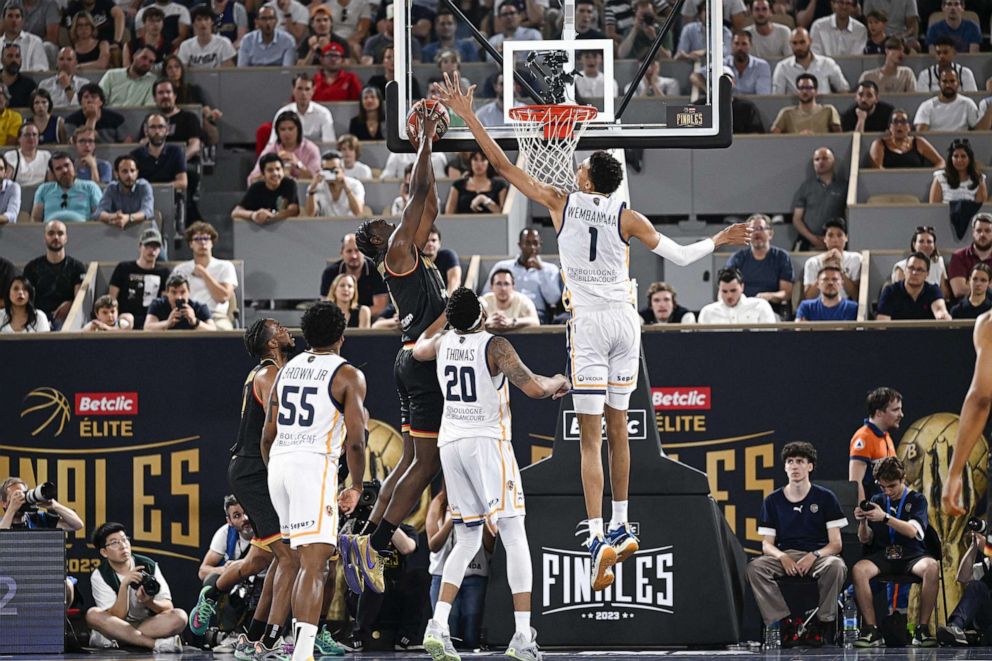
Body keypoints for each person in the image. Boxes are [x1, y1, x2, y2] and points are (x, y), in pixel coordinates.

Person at [438, 72, 749, 590]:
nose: (575, 165)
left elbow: (503, 166)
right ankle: (625, 523)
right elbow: (678, 254)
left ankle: (596, 535)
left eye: (580, 165)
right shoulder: (627, 216)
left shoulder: (561, 201)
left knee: (589, 440)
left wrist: (469, 116)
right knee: (621, 428)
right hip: (628, 322)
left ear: (585, 182)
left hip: (588, 324)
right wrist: (719, 237)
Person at [412, 287, 568, 661]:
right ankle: (521, 635)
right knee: (514, 533)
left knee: (466, 539)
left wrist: (443, 319)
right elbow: (533, 386)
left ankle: (437, 624)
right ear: (481, 314)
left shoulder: (443, 342)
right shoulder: (495, 346)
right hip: (487, 443)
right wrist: (557, 381)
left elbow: (416, 347)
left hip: (451, 444)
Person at [347, 106, 450, 594]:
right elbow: (419, 193)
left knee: (412, 460)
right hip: (422, 360)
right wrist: (425, 139)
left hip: (410, 358)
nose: (388, 221)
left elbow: (429, 202)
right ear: (375, 241)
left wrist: (436, 145)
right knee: (426, 466)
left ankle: (365, 536)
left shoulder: (407, 250)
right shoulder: (394, 252)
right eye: (380, 223)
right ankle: (378, 541)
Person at [188, 319, 327, 659]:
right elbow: (277, 428)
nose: (286, 330)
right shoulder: (268, 375)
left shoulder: (274, 372)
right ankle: (271, 639)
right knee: (291, 557)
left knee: (265, 556)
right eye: (278, 328)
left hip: (257, 469)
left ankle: (238, 620)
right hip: (255, 469)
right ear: (270, 344)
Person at [259, 301, 367, 661]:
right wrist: (356, 484)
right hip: (312, 466)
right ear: (342, 335)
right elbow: (356, 440)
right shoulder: (347, 374)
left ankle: (290, 644)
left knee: (298, 560)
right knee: (314, 565)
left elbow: (267, 435)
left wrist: (277, 468)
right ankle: (302, 653)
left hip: (279, 465)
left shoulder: (285, 371)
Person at [746, 442, 847, 647]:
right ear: (784, 467)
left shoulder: (826, 497)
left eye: (800, 461)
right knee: (755, 568)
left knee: (836, 566)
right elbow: (767, 545)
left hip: (819, 554)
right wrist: (782, 557)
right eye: (790, 462)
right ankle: (785, 623)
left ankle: (822, 623)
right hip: (786, 555)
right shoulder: (772, 500)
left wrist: (814, 555)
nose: (794, 466)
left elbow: (836, 544)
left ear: (810, 466)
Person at [852, 457, 939, 647]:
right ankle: (872, 630)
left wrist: (885, 517)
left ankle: (922, 630)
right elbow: (865, 539)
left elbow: (912, 531)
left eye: (892, 486)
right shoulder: (877, 500)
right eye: (883, 487)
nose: (888, 491)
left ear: (903, 479)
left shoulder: (917, 500)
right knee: (859, 570)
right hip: (884, 554)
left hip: (911, 555)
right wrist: (863, 521)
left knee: (931, 567)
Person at [85, 522, 187, 652]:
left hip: (147, 624)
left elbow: (168, 607)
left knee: (180, 616)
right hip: (117, 624)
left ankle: (117, 640)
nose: (123, 546)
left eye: (124, 540)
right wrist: (124, 586)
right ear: (104, 552)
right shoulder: (100, 574)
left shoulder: (147, 565)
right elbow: (117, 617)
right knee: (92, 615)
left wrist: (149, 602)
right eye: (115, 542)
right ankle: (154, 644)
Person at [484, 228, 562, 324]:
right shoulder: (502, 267)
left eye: (535, 243)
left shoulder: (550, 269)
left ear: (540, 245)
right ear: (520, 245)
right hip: (505, 311)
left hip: (536, 314)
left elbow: (553, 299)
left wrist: (541, 271)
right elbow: (486, 293)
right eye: (528, 243)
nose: (532, 247)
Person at [170, 221, 238, 330]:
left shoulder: (225, 266)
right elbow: (171, 296)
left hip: (215, 315)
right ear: (190, 244)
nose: (202, 242)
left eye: (206, 238)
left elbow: (223, 297)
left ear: (212, 242)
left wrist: (203, 273)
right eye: (197, 239)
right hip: (187, 314)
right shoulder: (180, 270)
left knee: (223, 331)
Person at [725, 213, 794, 315]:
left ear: (770, 233)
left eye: (760, 229)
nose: (756, 233)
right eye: (752, 229)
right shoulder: (737, 258)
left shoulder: (781, 257)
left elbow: (786, 293)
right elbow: (725, 286)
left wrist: (770, 296)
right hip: (741, 310)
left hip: (771, 310)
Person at [23, 220, 85, 327]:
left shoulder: (77, 267)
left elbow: (79, 300)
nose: (56, 237)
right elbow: (27, 300)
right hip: (38, 319)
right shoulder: (31, 268)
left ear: (66, 238)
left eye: (60, 233)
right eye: (51, 233)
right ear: (45, 238)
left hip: (67, 319)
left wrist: (71, 305)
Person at [109, 227, 170, 330]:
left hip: (152, 318)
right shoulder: (124, 268)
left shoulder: (163, 272)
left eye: (155, 247)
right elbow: (112, 298)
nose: (152, 250)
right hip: (126, 316)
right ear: (140, 247)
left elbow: (164, 301)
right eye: (148, 246)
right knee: (126, 321)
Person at [849, 386, 902, 502]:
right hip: (873, 512)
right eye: (895, 410)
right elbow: (855, 482)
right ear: (878, 413)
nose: (901, 414)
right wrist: (864, 512)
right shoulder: (864, 437)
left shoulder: (886, 437)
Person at [319, 233, 388, 316]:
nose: (354, 256)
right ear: (342, 252)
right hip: (338, 318)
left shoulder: (377, 271)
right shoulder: (330, 273)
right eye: (349, 251)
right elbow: (326, 304)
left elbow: (380, 307)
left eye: (357, 250)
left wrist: (355, 318)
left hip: (369, 319)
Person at [792, 147, 846, 249]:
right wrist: (813, 239)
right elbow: (797, 219)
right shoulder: (806, 187)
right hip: (809, 242)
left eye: (825, 158)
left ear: (833, 161)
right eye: (817, 159)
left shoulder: (844, 187)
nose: (821, 162)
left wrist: (832, 239)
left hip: (836, 244)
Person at [772, 28, 849, 95]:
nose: (798, 47)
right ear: (790, 44)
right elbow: (777, 97)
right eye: (795, 43)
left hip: (824, 108)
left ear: (810, 41)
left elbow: (843, 90)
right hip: (795, 109)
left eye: (802, 42)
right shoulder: (782, 67)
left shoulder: (827, 63)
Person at [30, 151, 102, 223]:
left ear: (73, 166)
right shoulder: (43, 189)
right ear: (53, 173)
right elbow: (36, 219)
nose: (64, 170)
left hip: (82, 232)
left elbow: (99, 216)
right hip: (51, 232)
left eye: (67, 165)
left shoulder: (90, 187)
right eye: (58, 168)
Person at [876, 251, 952, 320]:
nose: (914, 273)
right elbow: (882, 321)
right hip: (897, 334)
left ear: (927, 274)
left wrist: (943, 316)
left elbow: (940, 310)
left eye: (920, 270)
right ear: (905, 270)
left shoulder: (933, 290)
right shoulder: (890, 291)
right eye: (911, 268)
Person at [249, 111, 319, 185]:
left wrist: (298, 164)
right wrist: (273, 168)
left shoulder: (311, 149)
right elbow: (252, 179)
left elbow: (317, 180)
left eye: (290, 129)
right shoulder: (270, 150)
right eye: (282, 129)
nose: (287, 133)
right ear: (277, 132)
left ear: (298, 130)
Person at [268, 74, 336, 147]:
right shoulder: (283, 113)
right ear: (293, 90)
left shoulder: (323, 113)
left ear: (313, 91)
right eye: (299, 89)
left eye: (307, 89)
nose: (303, 93)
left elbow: (329, 144)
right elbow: (273, 143)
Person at [232, 153, 301, 224]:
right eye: (270, 170)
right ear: (263, 174)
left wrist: (271, 217)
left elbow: (293, 211)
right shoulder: (255, 188)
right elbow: (235, 212)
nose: (275, 173)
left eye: (278, 169)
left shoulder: (289, 184)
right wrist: (254, 215)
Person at [802, 218, 861, 300]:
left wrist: (840, 270)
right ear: (824, 239)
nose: (835, 240)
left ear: (846, 238)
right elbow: (808, 296)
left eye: (839, 235)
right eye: (830, 235)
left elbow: (856, 295)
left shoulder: (855, 259)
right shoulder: (812, 262)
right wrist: (824, 269)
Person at [130, 113, 188, 196]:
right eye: (153, 127)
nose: (157, 131)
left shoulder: (176, 152)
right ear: (146, 131)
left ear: (167, 130)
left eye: (160, 127)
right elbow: (131, 184)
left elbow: (183, 182)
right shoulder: (135, 155)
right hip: (143, 198)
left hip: (169, 196)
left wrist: (160, 189)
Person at [198, 495, 252, 583]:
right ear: (229, 521)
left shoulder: (267, 532)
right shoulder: (225, 533)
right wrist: (226, 570)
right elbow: (203, 571)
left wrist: (236, 568)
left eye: (247, 512)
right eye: (237, 516)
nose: (245, 518)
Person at [867, 109, 945, 168]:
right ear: (890, 127)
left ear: (909, 127)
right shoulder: (879, 144)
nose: (899, 125)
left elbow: (941, 162)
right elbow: (876, 170)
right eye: (895, 122)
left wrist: (929, 176)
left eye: (903, 122)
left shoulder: (918, 142)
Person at [698, 268, 778, 324]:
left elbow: (770, 339)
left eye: (733, 290)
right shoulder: (707, 312)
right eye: (724, 291)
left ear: (742, 287)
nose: (729, 295)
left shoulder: (760, 306)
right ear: (719, 289)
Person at [771, 73, 841, 134]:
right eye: (801, 88)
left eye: (808, 88)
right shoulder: (786, 113)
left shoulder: (828, 110)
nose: (804, 91)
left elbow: (839, 135)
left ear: (815, 91)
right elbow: (774, 136)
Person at [96, 155, 155, 229]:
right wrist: (113, 217)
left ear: (137, 173)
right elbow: (99, 213)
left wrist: (128, 218)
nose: (129, 175)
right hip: (119, 232)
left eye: (132, 171)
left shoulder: (144, 186)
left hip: (145, 230)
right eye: (125, 171)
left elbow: (148, 211)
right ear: (116, 174)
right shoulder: (111, 188)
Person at [144, 273, 217, 331]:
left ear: (189, 292)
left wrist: (195, 322)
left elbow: (213, 331)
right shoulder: (157, 305)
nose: (178, 297)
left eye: (183, 292)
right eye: (174, 292)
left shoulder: (200, 307)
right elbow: (147, 328)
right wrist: (167, 323)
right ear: (167, 293)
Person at [914, 68, 980, 131]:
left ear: (958, 83)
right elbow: (921, 133)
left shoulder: (968, 103)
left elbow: (978, 130)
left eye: (952, 81)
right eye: (945, 81)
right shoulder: (927, 106)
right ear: (939, 84)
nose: (948, 85)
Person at [305, 149, 365, 217]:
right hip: (324, 226)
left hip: (349, 225)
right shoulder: (316, 186)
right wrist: (312, 190)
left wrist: (346, 188)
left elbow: (358, 213)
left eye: (334, 170)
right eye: (326, 170)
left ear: (342, 169)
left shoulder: (355, 185)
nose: (330, 173)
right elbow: (310, 214)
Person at [891, 226, 948, 292]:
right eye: (921, 241)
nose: (925, 245)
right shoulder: (901, 267)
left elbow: (944, 292)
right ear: (914, 244)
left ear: (934, 245)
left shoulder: (938, 262)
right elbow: (899, 294)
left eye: (929, 242)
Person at [929, 138, 987, 204]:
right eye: (956, 156)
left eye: (963, 156)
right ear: (951, 159)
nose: (959, 160)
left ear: (969, 158)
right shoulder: (940, 178)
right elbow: (934, 209)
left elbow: (981, 208)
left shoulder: (978, 179)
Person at [0, 3, 49, 72]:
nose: (14, 20)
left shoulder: (35, 42)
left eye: (17, 16)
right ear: (3, 20)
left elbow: (40, 71)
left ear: (22, 21)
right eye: (10, 16)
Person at [424, 225, 461, 295]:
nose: (430, 244)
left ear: (439, 243)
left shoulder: (448, 256)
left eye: (433, 240)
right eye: (426, 240)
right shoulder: (415, 261)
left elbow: (454, 281)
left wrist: (448, 301)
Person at [0, 43, 35, 108]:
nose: (14, 60)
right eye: (10, 56)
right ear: (2, 60)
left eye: (17, 56)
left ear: (21, 60)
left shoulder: (29, 85)